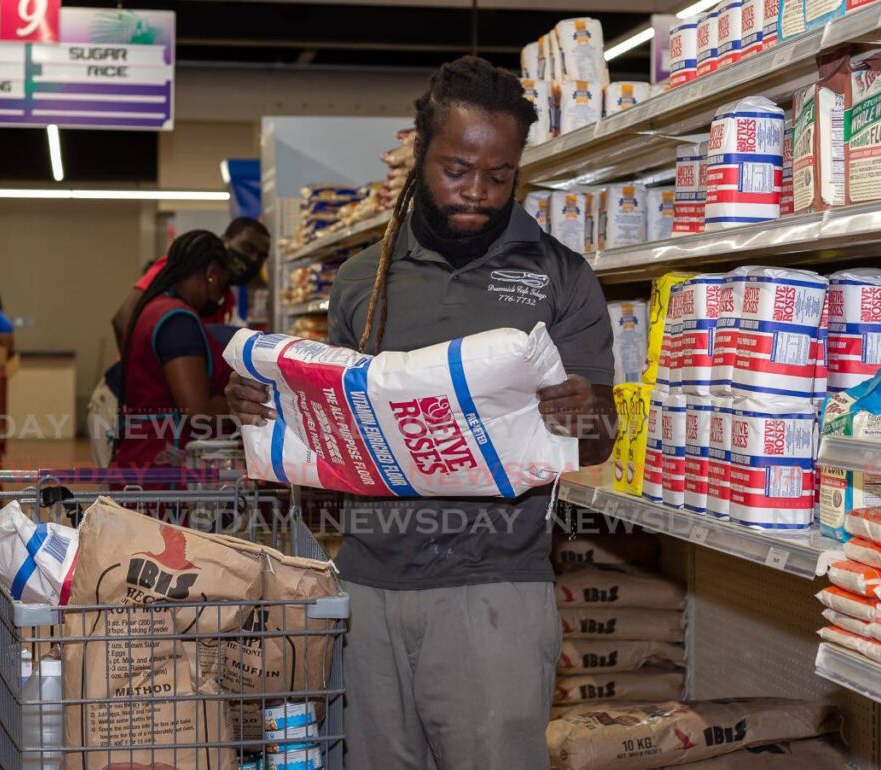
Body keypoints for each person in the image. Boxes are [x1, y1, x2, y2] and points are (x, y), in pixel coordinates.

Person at [227, 57, 615, 770]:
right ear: (420, 157)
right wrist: (264, 406)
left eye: (500, 176)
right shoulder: (359, 282)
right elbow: (331, 431)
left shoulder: (561, 278)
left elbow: (597, 443)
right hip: (368, 585)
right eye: (457, 169)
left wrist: (585, 411)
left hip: (494, 592)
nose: (477, 192)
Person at [113, 230, 236, 473]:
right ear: (211, 274)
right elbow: (197, 411)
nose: (220, 300)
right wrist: (238, 403)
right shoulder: (178, 321)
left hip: (145, 458)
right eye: (222, 287)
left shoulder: (154, 309)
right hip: (166, 467)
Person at [110, 217, 270, 351]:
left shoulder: (225, 297)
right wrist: (140, 374)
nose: (253, 259)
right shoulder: (182, 269)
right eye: (247, 248)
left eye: (262, 256)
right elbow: (123, 317)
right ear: (224, 241)